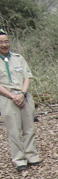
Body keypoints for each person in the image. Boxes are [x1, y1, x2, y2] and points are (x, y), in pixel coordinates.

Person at [0, 29, 41, 171]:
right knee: (14, 130)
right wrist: (13, 97)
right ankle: (19, 160)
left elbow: (26, 77)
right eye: (1, 42)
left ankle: (32, 156)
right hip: (7, 98)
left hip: (24, 95)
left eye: (6, 41)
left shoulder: (18, 58)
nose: (4, 45)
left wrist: (23, 94)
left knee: (29, 128)